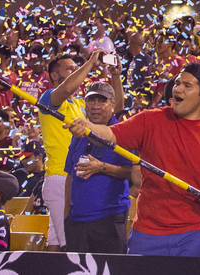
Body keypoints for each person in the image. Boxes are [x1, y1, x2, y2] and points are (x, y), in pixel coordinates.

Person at [68, 63, 200, 257]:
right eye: (177, 83)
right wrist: (87, 127)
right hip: (148, 232)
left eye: (187, 85)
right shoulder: (150, 120)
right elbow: (110, 134)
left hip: (199, 231)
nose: (178, 89)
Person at [38, 51, 123, 251]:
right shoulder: (49, 98)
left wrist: (116, 76)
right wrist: (90, 62)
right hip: (61, 178)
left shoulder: (78, 105)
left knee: (56, 245)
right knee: (71, 245)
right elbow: (67, 88)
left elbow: (115, 108)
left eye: (75, 68)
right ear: (54, 76)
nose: (75, 71)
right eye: (69, 68)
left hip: (74, 178)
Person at [64, 82, 132, 254]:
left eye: (101, 101)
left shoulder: (123, 132)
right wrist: (66, 215)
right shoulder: (79, 133)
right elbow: (70, 175)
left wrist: (101, 167)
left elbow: (134, 174)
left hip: (108, 218)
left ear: (113, 104)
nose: (95, 106)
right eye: (91, 101)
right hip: (76, 220)